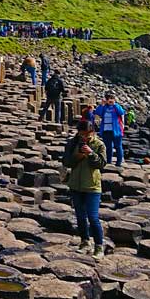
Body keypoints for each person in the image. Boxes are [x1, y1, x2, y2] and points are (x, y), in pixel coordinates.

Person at [63, 120, 107, 259]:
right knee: (80, 217)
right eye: (82, 135)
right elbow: (67, 162)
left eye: (87, 135)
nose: (85, 138)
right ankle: (84, 242)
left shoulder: (99, 144)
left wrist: (90, 154)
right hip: (76, 184)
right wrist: (79, 155)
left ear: (92, 132)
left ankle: (99, 247)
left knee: (93, 217)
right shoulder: (73, 143)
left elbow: (101, 164)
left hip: (92, 186)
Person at [94, 93, 126, 167]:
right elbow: (98, 113)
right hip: (106, 130)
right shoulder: (104, 107)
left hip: (116, 130)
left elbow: (121, 112)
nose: (110, 100)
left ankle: (119, 163)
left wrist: (114, 104)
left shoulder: (116, 107)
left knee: (118, 146)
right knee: (108, 147)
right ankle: (108, 161)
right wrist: (102, 104)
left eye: (111, 98)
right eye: (108, 99)